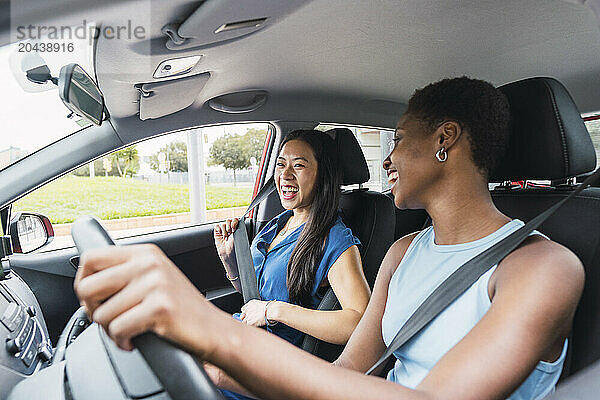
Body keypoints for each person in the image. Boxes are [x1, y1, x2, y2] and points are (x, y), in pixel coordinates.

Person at [75, 77, 584, 400]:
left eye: (400, 139)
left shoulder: (543, 268)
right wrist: (222, 367)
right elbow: (349, 371)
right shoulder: (405, 252)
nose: (386, 158)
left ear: (444, 140)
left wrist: (220, 337)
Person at [211, 129, 371, 398]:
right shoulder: (278, 224)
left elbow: (358, 322)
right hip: (241, 341)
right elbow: (255, 299)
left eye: (299, 165)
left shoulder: (335, 239)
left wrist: (274, 311)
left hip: (273, 365)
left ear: (323, 175)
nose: (285, 174)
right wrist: (230, 262)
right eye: (281, 164)